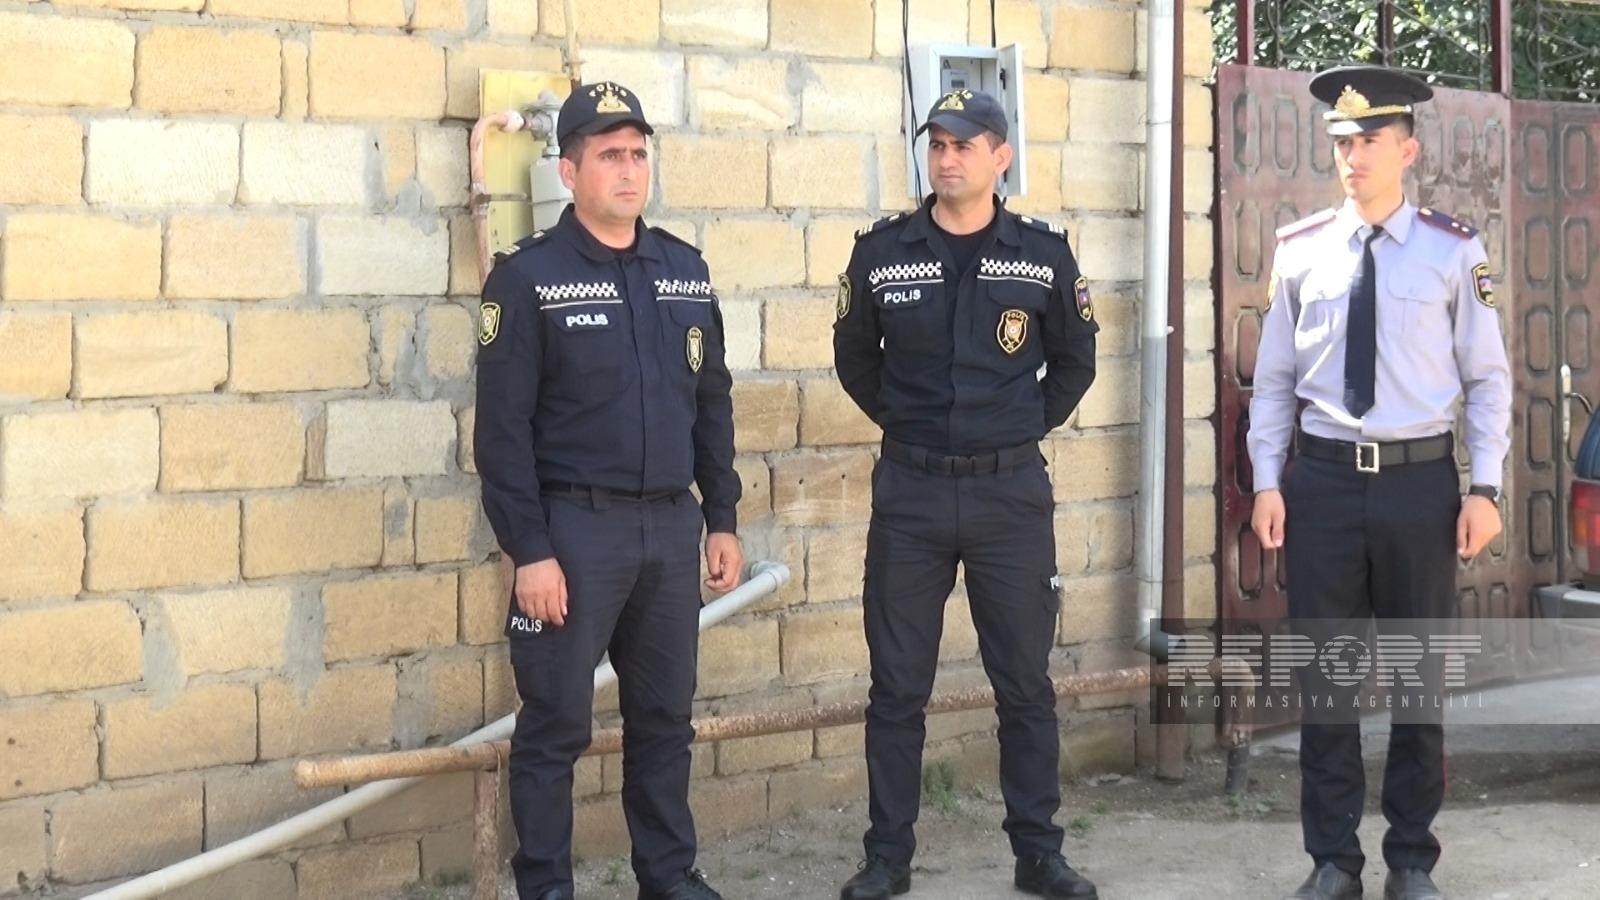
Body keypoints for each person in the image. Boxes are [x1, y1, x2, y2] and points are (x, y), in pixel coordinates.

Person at [1247, 66, 1511, 900]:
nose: (1352, 157)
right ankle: (1333, 861)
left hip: (1418, 486)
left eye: (1368, 141)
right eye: (1342, 143)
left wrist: (1486, 489)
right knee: (1325, 683)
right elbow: (1274, 382)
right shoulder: (1301, 251)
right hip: (1322, 484)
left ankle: (1410, 861)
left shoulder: (1452, 250)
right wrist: (1266, 481)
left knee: (1417, 681)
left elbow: (1489, 380)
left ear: (1408, 151)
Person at [474, 80, 742, 900]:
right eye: (609, 156)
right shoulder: (528, 278)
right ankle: (546, 887)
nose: (629, 171)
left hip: (668, 530)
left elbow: (711, 402)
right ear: (568, 171)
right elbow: (501, 433)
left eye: (637, 154)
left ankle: (668, 877)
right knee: (555, 726)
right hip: (573, 534)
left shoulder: (684, 272)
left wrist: (722, 517)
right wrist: (530, 551)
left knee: (664, 720)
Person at [832, 88, 1100, 900]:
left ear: (1000, 157)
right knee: (896, 687)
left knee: (1024, 683)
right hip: (911, 495)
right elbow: (855, 360)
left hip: (1008, 496)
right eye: (937, 145)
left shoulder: (1042, 254)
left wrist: (1015, 428)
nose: (947, 159)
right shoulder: (882, 253)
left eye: (964, 145)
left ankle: (1039, 853)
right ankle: (888, 857)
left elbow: (1076, 361)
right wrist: (912, 427)